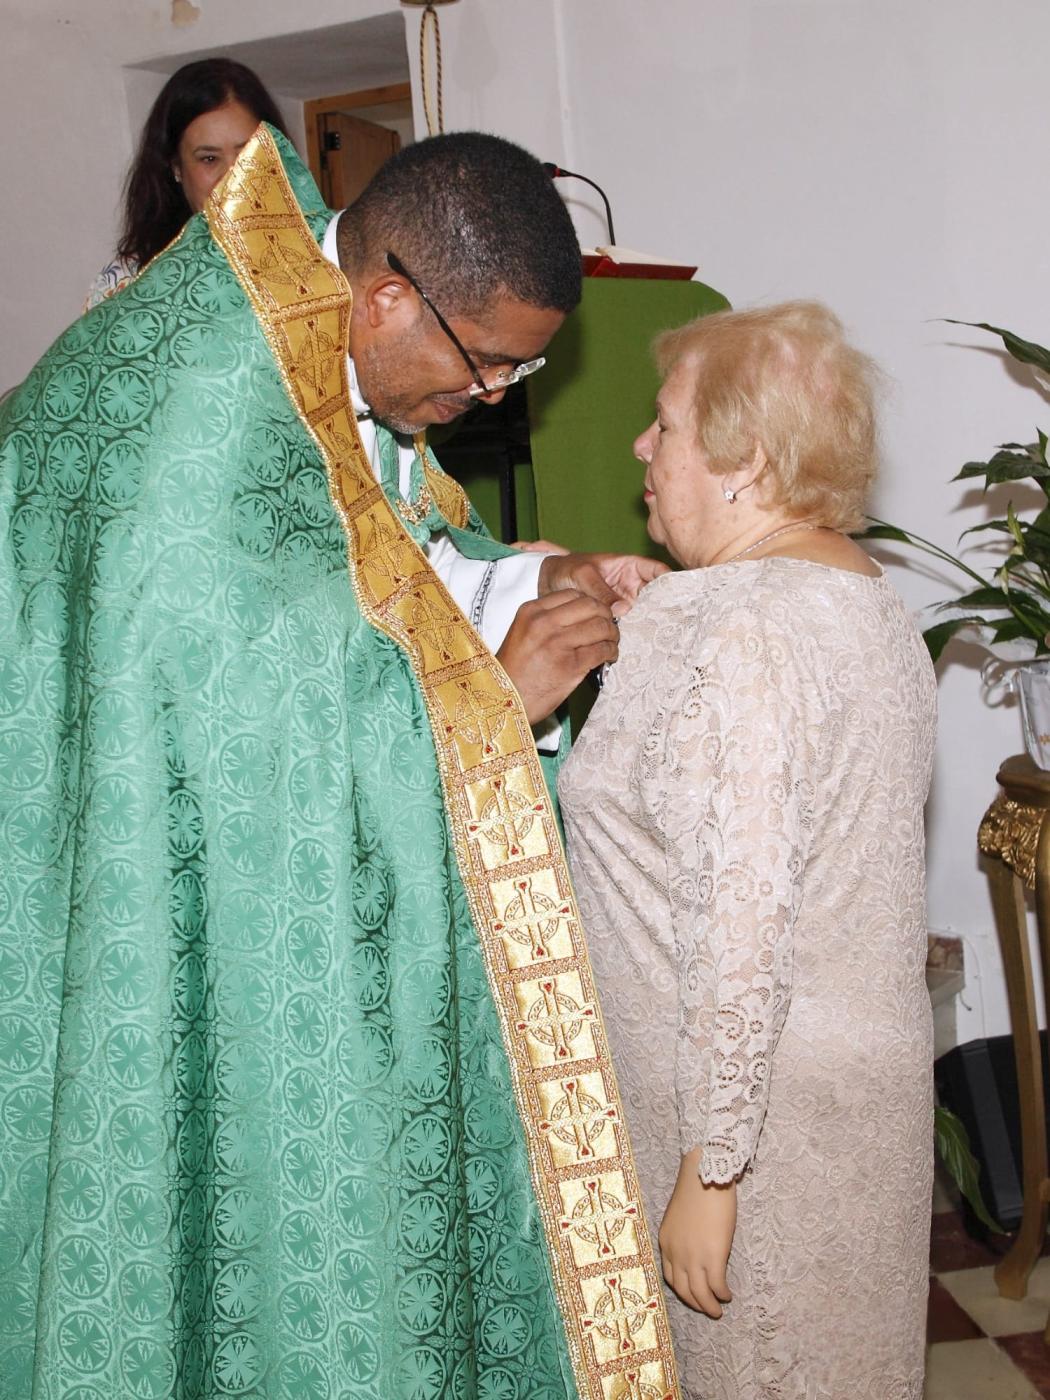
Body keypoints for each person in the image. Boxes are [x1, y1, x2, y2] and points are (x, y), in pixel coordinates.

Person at [0, 126, 681, 1400]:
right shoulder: (187, 425)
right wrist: (495, 702)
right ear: (386, 297)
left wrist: (526, 578)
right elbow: (235, 751)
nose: (492, 404)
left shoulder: (311, 336)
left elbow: (360, 575)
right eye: (488, 370)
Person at [559, 302, 937, 1400]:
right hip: (853, 1097)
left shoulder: (735, 633)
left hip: (748, 1125)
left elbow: (743, 918)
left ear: (745, 459)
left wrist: (711, 1166)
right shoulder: (864, 600)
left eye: (665, 423)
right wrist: (655, 617)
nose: (641, 444)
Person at [85, 57, 289, 308]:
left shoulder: (325, 258)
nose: (234, 176)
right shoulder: (129, 284)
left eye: (248, 152)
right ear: (176, 168)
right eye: (209, 158)